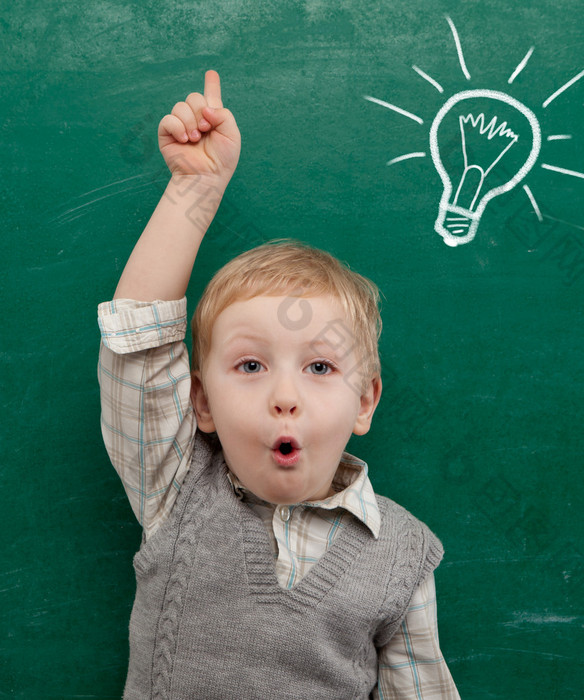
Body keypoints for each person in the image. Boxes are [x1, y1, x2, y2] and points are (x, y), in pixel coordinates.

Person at [98, 69, 460, 699]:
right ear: (202, 403)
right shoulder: (175, 489)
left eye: (320, 367)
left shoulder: (403, 556)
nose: (284, 396)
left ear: (366, 398)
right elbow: (139, 341)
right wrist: (197, 187)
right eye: (250, 366)